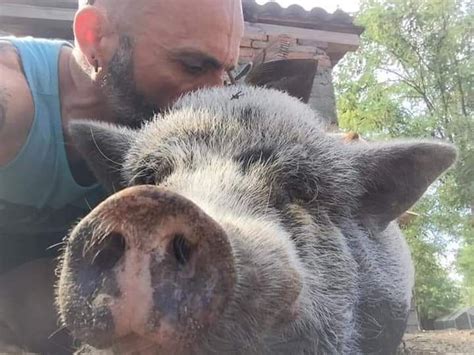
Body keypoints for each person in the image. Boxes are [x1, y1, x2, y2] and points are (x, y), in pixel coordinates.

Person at [0, 0, 243, 351]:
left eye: (230, 73)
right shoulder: (11, 105)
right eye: (192, 66)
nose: (216, 96)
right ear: (95, 37)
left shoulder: (168, 136)